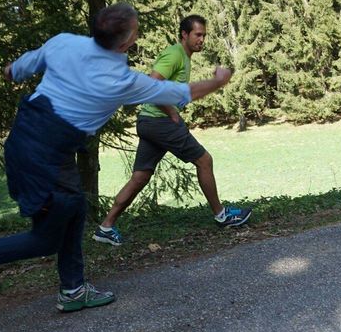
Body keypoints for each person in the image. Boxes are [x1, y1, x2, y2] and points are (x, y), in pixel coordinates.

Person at [0, 3, 233, 311]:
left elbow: (17, 69)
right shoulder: (120, 81)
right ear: (125, 42)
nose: (138, 36)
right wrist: (218, 81)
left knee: (75, 207)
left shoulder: (64, 42)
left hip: (28, 138)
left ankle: (74, 289)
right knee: (46, 238)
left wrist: (13, 70)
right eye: (136, 31)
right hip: (44, 156)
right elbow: (179, 93)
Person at [93, 15, 251, 247]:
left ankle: (105, 227)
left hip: (149, 122)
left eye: (204, 35)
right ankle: (221, 215)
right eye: (198, 35)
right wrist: (172, 113)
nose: (202, 40)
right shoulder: (175, 54)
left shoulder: (184, 58)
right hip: (159, 123)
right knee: (204, 161)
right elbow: (151, 83)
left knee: (140, 177)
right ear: (184, 35)